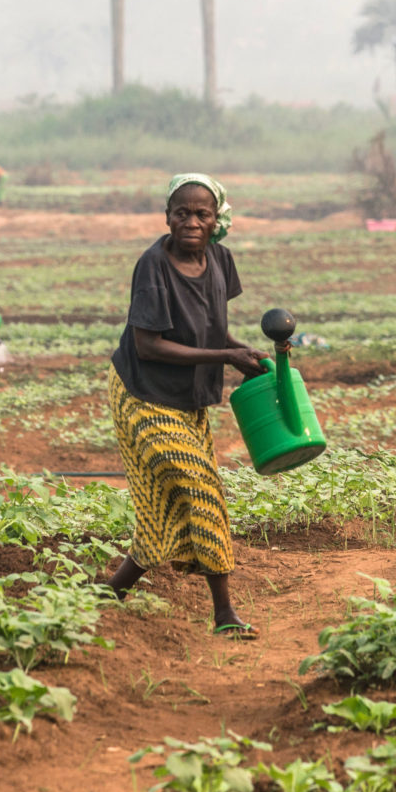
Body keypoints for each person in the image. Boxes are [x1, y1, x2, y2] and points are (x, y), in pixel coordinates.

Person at [103, 173, 263, 639]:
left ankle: (113, 591)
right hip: (142, 394)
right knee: (200, 486)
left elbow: (213, 328)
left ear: (218, 220)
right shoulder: (153, 265)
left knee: (162, 505)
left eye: (202, 213)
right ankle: (224, 614)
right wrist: (225, 357)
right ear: (167, 217)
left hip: (186, 398)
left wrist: (242, 352)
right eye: (182, 213)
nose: (191, 221)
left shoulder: (220, 260)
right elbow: (149, 345)